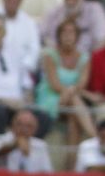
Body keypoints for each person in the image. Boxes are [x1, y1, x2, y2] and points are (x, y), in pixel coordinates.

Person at [36, 17, 94, 147]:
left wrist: (71, 91)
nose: (68, 36)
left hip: (69, 98)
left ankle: (71, 163)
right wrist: (71, 91)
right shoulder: (49, 55)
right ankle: (93, 135)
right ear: (59, 35)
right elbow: (54, 84)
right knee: (74, 99)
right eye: (64, 32)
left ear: (77, 36)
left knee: (73, 117)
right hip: (51, 97)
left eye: (71, 32)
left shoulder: (84, 58)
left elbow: (82, 83)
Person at [39, 0, 105, 55]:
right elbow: (40, 35)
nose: (70, 2)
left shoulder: (95, 10)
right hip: (58, 59)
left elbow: (101, 41)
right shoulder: (54, 13)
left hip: (87, 60)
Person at [0, 106, 51, 172]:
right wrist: (14, 145)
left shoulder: (41, 145)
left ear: (35, 129)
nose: (24, 129)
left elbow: (47, 171)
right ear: (12, 125)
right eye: (20, 124)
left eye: (29, 126)